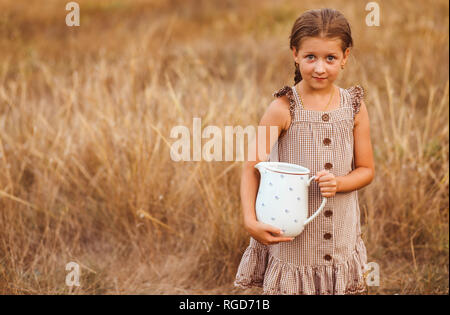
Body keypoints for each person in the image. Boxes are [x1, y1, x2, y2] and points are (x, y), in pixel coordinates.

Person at [234, 8, 375, 295]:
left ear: (345, 56)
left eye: (330, 58)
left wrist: (340, 183)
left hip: (340, 235)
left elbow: (367, 170)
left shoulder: (354, 107)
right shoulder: (283, 108)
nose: (320, 68)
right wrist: (250, 220)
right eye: (311, 57)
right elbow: (253, 165)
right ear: (296, 53)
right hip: (293, 241)